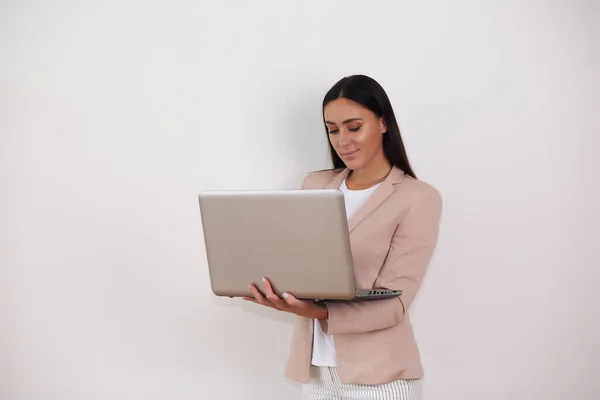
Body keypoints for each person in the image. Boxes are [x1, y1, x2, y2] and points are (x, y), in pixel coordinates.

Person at [243, 74, 443, 399]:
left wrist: (316, 311)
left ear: (383, 123)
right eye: (332, 129)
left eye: (354, 127)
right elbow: (300, 264)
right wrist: (275, 288)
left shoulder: (417, 198)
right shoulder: (314, 186)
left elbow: (395, 303)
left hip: (381, 377)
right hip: (317, 374)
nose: (342, 140)